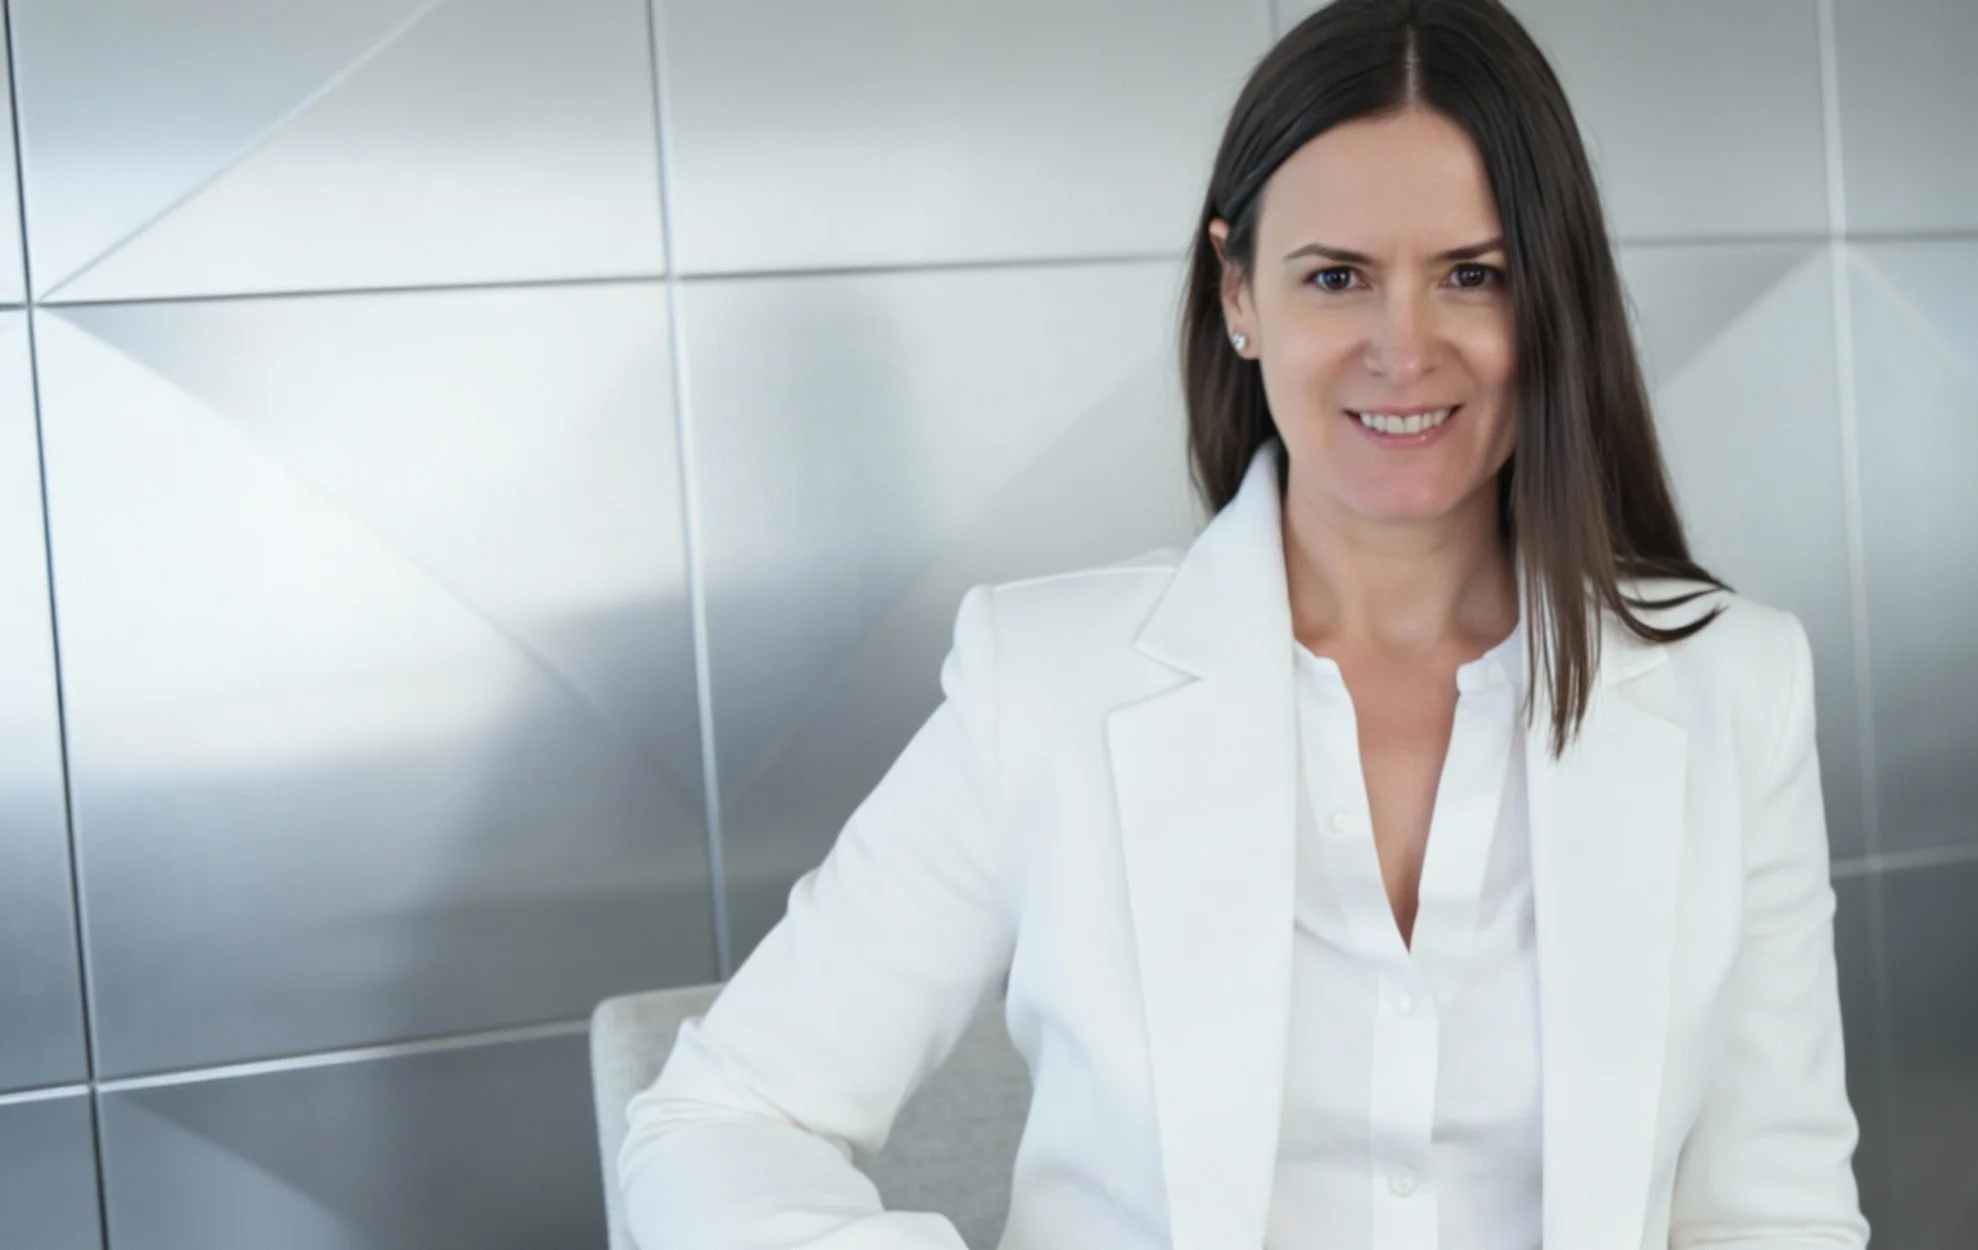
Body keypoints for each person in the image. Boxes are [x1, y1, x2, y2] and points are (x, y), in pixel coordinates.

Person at [619, 1, 1868, 1246]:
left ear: (1554, 301)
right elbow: (720, 1117)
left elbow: (1777, 1213)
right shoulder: (1046, 683)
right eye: (1336, 277)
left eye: (1472, 276)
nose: (1402, 347)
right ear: (1238, 294)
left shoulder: (1733, 686)